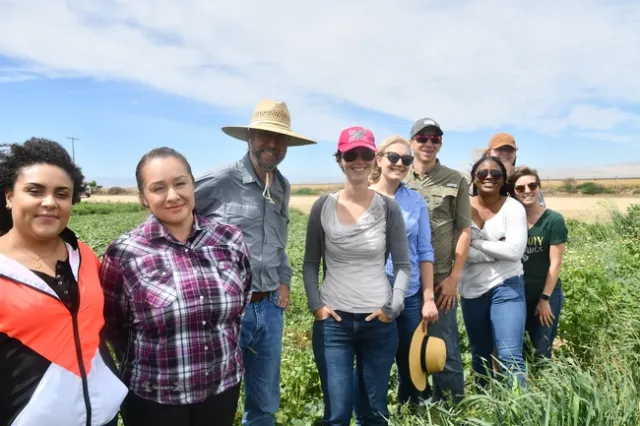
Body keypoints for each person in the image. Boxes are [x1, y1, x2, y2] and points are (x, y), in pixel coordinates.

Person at [100, 148, 253, 426]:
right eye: (158, 188)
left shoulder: (229, 239)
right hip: (154, 399)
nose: (172, 196)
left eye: (180, 183)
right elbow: (113, 325)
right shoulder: (125, 252)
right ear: (143, 199)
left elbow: (240, 304)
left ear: (193, 185)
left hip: (222, 387)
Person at [194, 99, 316, 425]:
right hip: (228, 310)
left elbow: (279, 238)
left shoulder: (282, 186)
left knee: (264, 401)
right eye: (264, 135)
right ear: (250, 136)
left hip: (270, 309)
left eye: (280, 138)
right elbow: (171, 216)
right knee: (215, 399)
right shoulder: (217, 180)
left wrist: (284, 280)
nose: (272, 144)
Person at [0, 138, 127, 426]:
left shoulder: (82, 255)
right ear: (9, 196)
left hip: (104, 416)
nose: (49, 202)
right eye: (34, 191)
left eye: (62, 193)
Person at [303, 126, 411, 426]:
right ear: (340, 159)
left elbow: (403, 264)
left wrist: (394, 306)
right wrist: (316, 306)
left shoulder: (389, 209)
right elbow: (310, 263)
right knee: (337, 413)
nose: (358, 160)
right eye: (351, 154)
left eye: (365, 154)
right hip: (333, 325)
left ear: (375, 159)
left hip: (378, 323)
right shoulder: (322, 206)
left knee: (374, 411)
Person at [368, 135, 438, 408]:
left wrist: (428, 298)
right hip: (371, 297)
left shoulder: (415, 201)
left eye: (406, 159)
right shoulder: (363, 196)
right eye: (393, 157)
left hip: (408, 295)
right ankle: (373, 413)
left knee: (412, 359)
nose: (400, 163)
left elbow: (424, 251)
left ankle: (413, 408)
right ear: (379, 159)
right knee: (375, 361)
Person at [404, 117, 470, 404]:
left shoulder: (456, 180)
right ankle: (414, 403)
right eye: (423, 138)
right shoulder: (397, 176)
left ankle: (452, 407)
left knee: (445, 349)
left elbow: (464, 229)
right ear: (412, 142)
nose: (429, 143)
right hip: (404, 282)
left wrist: (454, 278)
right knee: (407, 348)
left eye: (435, 139)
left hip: (442, 279)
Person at [459, 155, 528, 389]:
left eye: (496, 174)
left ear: (503, 180)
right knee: (479, 354)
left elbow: (514, 251)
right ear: (474, 178)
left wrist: (475, 244)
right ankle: (487, 406)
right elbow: (458, 251)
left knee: (510, 355)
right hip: (471, 290)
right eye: (482, 173)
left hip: (507, 286)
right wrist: (495, 248)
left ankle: (519, 413)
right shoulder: (462, 207)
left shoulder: (513, 207)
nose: (489, 177)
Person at [508, 166, 567, 361]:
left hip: (545, 294)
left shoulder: (553, 220)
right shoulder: (509, 220)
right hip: (516, 296)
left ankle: (546, 388)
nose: (527, 191)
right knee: (517, 350)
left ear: (539, 187)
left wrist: (545, 299)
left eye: (532, 185)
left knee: (542, 350)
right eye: (520, 188)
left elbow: (555, 264)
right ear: (514, 192)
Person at [486, 133, 545, 206]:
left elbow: (539, 210)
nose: (505, 152)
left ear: (515, 154)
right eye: (499, 149)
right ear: (488, 153)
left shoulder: (524, 178)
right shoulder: (479, 178)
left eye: (510, 149)